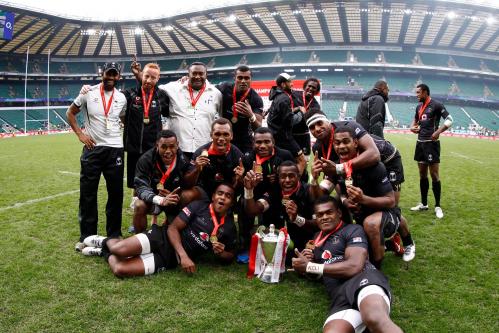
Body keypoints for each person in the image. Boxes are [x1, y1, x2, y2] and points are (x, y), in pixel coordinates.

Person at [292, 196, 403, 333]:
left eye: (329, 212)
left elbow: (354, 266)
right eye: (320, 215)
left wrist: (310, 266)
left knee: (375, 318)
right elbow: (319, 275)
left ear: (339, 213)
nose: (324, 217)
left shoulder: (353, 230)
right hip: (339, 293)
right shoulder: (315, 239)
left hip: (363, 279)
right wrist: (305, 266)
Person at [80, 183, 238, 278]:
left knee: (120, 269)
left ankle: (103, 252)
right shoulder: (199, 206)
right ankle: (103, 242)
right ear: (213, 196)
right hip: (161, 237)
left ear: (232, 202)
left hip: (170, 259)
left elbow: (230, 256)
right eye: (220, 193)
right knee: (119, 249)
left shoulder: (229, 227)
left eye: (228, 196)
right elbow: (173, 228)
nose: (222, 198)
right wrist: (184, 256)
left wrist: (222, 253)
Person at [66, 62, 128, 251]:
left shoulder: (122, 98)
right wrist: (80, 135)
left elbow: (123, 119)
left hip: (115, 149)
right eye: (108, 73)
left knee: (116, 194)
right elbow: (70, 113)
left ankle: (114, 234)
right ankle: (87, 236)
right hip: (93, 149)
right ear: (102, 74)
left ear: (118, 76)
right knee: (87, 194)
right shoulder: (88, 92)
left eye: (114, 74)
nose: (110, 77)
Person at [330, 126, 399, 269]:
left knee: (371, 224)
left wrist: (363, 199)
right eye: (337, 143)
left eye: (345, 142)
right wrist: (344, 200)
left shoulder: (374, 166)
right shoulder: (337, 166)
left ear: (355, 143)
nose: (341, 146)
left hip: (383, 214)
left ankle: (376, 269)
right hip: (359, 217)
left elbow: (391, 201)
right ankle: (384, 244)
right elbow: (333, 188)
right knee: (332, 204)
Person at [132, 61, 222, 159]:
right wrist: (138, 75)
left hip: (204, 148)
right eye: (194, 73)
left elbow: (221, 120)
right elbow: (151, 85)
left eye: (201, 74)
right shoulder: (173, 88)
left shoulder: (216, 94)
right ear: (188, 74)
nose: (197, 76)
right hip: (178, 149)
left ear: (206, 75)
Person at [243, 160, 317, 251]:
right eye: (283, 176)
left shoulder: (309, 191)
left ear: (298, 176)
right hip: (279, 238)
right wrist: (248, 190)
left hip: (304, 240)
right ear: (278, 178)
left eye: (291, 176)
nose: (287, 180)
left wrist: (296, 218)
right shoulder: (274, 191)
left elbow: (318, 224)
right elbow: (252, 211)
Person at [132, 130, 195, 233]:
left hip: (173, 200)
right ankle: (140, 239)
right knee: (139, 205)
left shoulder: (184, 160)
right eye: (164, 147)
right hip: (154, 200)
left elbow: (187, 185)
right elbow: (140, 188)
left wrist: (174, 196)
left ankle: (174, 226)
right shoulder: (146, 160)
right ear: (157, 145)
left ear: (177, 145)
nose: (168, 151)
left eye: (172, 146)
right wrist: (160, 200)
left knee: (189, 195)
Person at [410, 83, 453, 219]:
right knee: (422, 175)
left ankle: (438, 206)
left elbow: (450, 119)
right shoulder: (418, 107)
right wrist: (413, 128)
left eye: (418, 92)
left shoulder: (437, 105)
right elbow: (415, 123)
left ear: (425, 92)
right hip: (420, 144)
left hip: (432, 145)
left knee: (434, 175)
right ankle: (424, 203)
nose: (416, 95)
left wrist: (438, 131)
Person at [186, 118, 244, 200]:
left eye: (226, 134)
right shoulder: (200, 153)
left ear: (231, 136)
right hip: (204, 192)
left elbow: (240, 188)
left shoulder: (238, 156)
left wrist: (240, 179)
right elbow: (187, 184)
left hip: (225, 194)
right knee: (186, 195)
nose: (221, 138)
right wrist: (196, 169)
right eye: (217, 134)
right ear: (211, 135)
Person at [216, 65, 263, 154]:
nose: (243, 81)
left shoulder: (256, 99)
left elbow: (258, 129)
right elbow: (205, 89)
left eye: (246, 78)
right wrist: (186, 79)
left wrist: (251, 115)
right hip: (223, 138)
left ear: (251, 79)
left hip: (244, 142)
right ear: (235, 78)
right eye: (240, 78)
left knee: (244, 165)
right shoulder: (224, 88)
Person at [266, 73, 307, 176]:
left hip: (276, 137)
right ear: (283, 85)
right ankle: (297, 186)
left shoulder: (277, 96)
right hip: (285, 137)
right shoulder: (284, 98)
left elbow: (282, 114)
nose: (292, 84)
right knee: (302, 161)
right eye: (290, 82)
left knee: (282, 163)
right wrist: (301, 112)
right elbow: (290, 121)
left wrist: (296, 109)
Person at [292, 77, 321, 156]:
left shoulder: (316, 106)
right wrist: (298, 108)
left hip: (303, 135)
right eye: (309, 86)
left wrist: (304, 114)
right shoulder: (294, 95)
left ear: (317, 91)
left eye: (314, 88)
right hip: (290, 134)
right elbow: (285, 110)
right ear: (305, 87)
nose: (311, 89)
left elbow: (311, 122)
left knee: (305, 159)